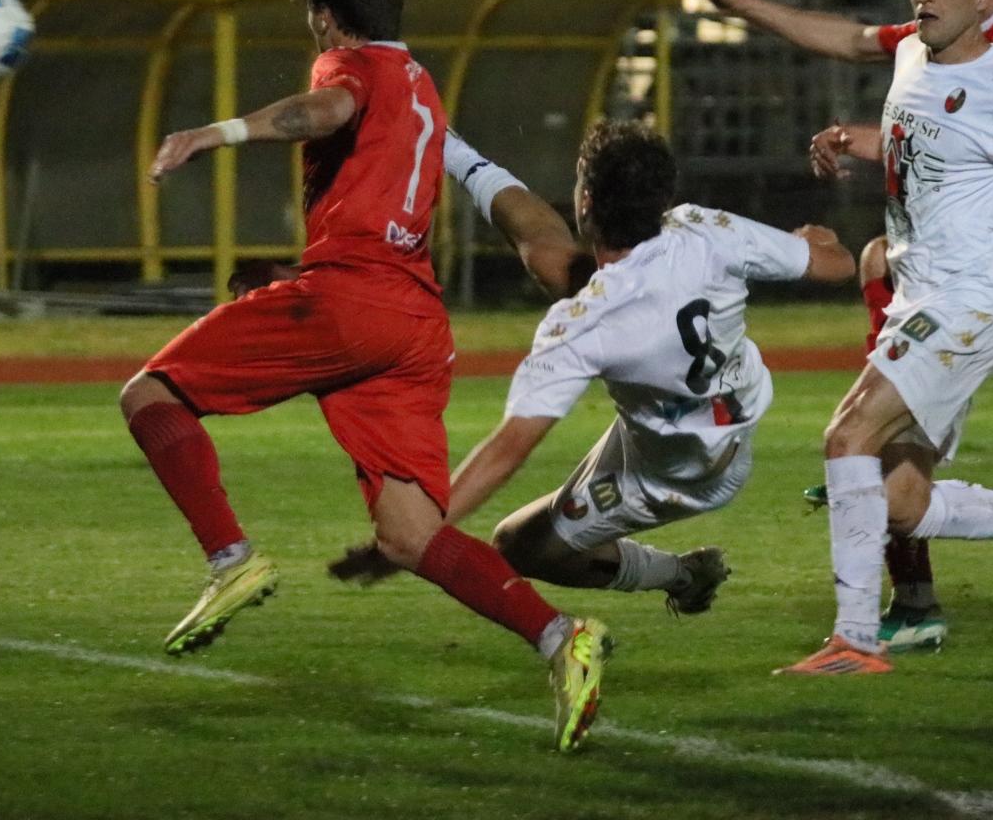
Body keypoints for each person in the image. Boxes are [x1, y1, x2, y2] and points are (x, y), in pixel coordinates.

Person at [118, 0, 609, 752]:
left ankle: (230, 557)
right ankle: (563, 638)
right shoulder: (422, 88)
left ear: (325, 18)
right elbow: (393, 198)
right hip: (411, 323)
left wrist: (215, 132)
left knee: (148, 394)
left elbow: (327, 111)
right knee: (409, 536)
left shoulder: (349, 66)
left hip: (352, 301)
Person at [679, 0, 993, 653]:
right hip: (929, 284)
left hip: (984, 286)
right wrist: (855, 133)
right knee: (900, 499)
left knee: (848, 438)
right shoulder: (917, 50)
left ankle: (854, 642)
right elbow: (888, 86)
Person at [332, 123, 855, 607]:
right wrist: (815, 240)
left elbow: (508, 448)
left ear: (585, 200)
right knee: (554, 259)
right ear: (662, 200)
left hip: (681, 471)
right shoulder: (704, 228)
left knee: (518, 545)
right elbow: (838, 265)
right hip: (712, 419)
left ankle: (681, 575)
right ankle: (451, 147)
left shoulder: (586, 323)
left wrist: (420, 534)